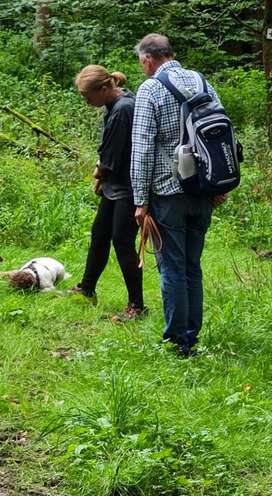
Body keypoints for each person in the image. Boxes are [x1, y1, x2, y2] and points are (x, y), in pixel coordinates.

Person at [130, 34, 226, 355]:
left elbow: (142, 149)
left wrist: (140, 201)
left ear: (147, 59)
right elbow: (221, 133)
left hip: (167, 193)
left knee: (171, 266)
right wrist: (218, 184)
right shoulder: (201, 82)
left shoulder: (150, 89)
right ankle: (191, 336)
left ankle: (177, 341)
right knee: (191, 266)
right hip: (203, 191)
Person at [70, 65, 145, 320]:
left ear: (103, 88)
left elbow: (112, 156)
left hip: (128, 186)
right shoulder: (117, 103)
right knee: (99, 234)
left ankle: (137, 305)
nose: (86, 100)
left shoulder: (124, 109)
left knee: (123, 242)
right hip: (116, 185)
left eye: (86, 95)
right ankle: (86, 289)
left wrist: (98, 173)